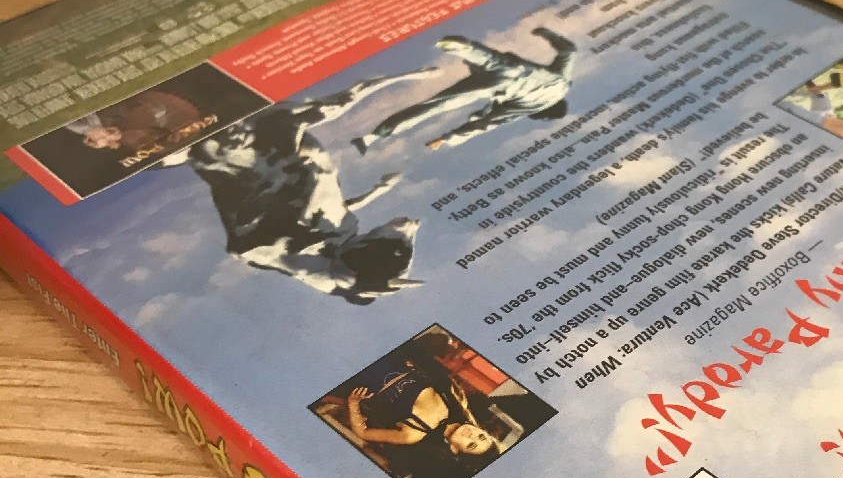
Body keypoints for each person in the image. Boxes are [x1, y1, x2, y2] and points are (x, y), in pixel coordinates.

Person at [161, 72, 426, 301]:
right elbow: (338, 209)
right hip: (282, 155)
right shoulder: (341, 237)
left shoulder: (295, 257)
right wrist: (379, 190)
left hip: (254, 159)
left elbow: (254, 247)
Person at [352, 25, 577, 153]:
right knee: (438, 105)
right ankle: (373, 136)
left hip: (512, 67)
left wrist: (547, 34)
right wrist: (449, 138)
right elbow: (489, 122)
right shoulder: (534, 106)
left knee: (490, 60)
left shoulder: (562, 84)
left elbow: (569, 51)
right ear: (547, 111)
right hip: (500, 86)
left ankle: (465, 48)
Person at [344, 360, 500, 478]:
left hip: (368, 376)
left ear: (455, 449)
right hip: (395, 359)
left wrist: (353, 403)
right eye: (481, 436)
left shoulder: (413, 434)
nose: (472, 436)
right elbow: (431, 365)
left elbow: (363, 433)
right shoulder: (457, 400)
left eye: (471, 445)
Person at [69, 88, 205, 156]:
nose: (132, 142)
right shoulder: (149, 111)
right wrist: (95, 128)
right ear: (151, 132)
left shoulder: (107, 140)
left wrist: (93, 133)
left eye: (136, 147)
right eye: (142, 141)